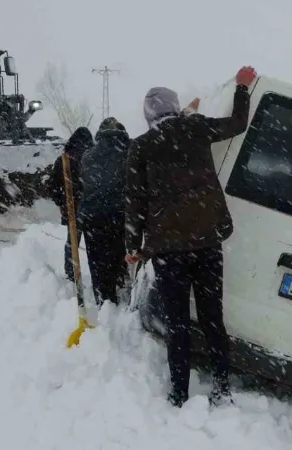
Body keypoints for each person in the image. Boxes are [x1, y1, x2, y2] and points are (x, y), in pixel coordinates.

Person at [124, 66, 256, 408]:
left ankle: (179, 393)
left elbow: (135, 201)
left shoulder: (141, 147)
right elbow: (238, 124)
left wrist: (132, 247)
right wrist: (242, 88)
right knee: (213, 319)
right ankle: (222, 386)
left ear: (147, 115)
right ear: (175, 106)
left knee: (177, 324)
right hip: (206, 242)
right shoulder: (195, 128)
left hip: (168, 251)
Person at [78, 117, 131, 307]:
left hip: (92, 217)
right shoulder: (130, 151)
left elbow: (83, 183)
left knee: (97, 260)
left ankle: (103, 298)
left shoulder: (88, 155)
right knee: (118, 253)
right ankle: (118, 284)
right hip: (119, 214)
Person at [49, 126, 95, 282]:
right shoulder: (92, 158)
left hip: (72, 209)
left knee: (72, 242)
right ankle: (98, 273)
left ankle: (71, 273)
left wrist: (62, 202)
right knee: (94, 244)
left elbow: (52, 187)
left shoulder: (63, 159)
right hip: (92, 209)